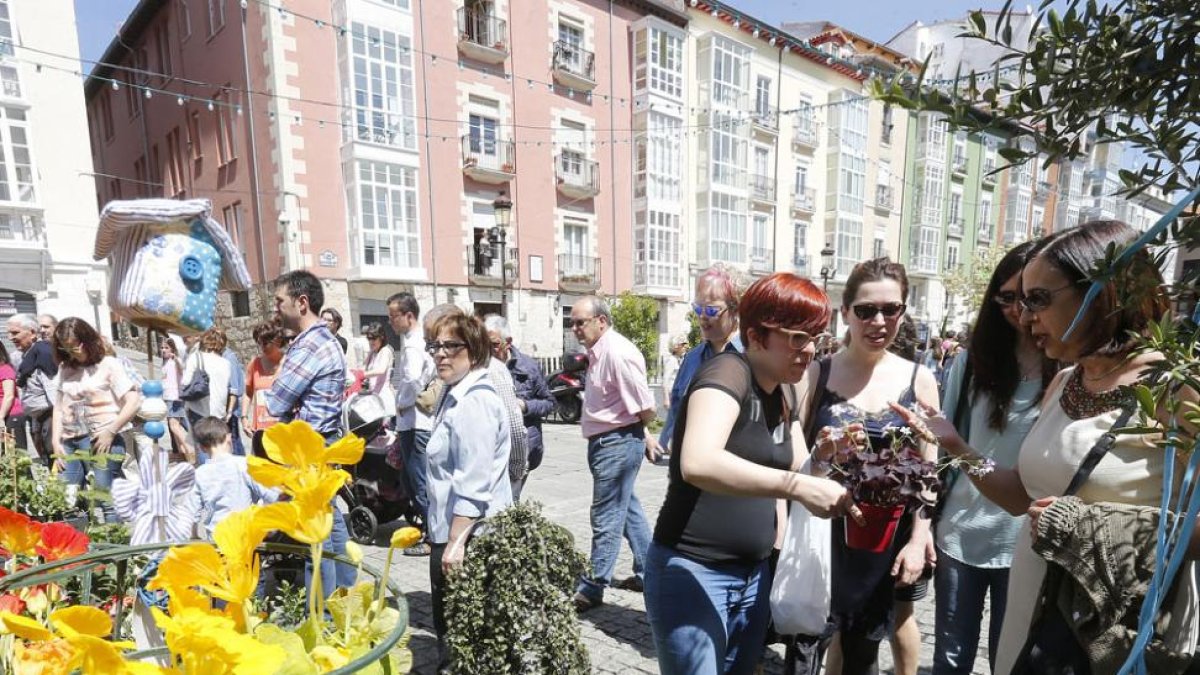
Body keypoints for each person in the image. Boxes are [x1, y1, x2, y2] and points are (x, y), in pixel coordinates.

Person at [893, 220, 1183, 673]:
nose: (1025, 318)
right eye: (1019, 301)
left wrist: (1091, 525)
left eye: (1038, 300)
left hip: (1108, 634)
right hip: (1035, 617)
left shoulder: (1175, 389)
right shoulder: (1067, 380)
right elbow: (1020, 498)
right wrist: (956, 445)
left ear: (1102, 293)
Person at [645, 272, 862, 675]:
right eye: (797, 337)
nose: (810, 350)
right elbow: (698, 462)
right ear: (756, 335)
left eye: (815, 337)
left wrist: (824, 457)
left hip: (753, 576)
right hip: (693, 572)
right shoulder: (728, 373)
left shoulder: (782, 389)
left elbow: (801, 464)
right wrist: (800, 485)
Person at [802, 258, 940, 675]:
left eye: (891, 309)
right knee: (835, 632)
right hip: (827, 535)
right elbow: (797, 460)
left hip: (891, 535)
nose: (878, 320)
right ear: (845, 313)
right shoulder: (816, 375)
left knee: (890, 624)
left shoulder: (919, 379)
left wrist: (919, 540)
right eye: (865, 310)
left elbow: (930, 473)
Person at [932, 242, 1057, 675]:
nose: (1018, 309)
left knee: (1011, 659)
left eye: (1031, 297)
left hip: (1029, 541)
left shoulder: (1065, 372)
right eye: (1006, 297)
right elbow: (944, 448)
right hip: (960, 533)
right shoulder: (970, 364)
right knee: (950, 658)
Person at [423, 311, 513, 673]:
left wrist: (455, 545)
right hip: (451, 531)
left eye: (450, 346)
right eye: (435, 346)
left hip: (467, 539)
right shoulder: (454, 393)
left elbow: (474, 485)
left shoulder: (473, 401)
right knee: (460, 631)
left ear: (473, 351)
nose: (440, 354)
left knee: (463, 636)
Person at [570, 295, 662, 612]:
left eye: (580, 322)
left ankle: (594, 586)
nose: (575, 329)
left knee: (606, 516)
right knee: (627, 510)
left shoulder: (617, 353)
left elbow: (646, 407)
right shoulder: (600, 351)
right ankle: (650, 573)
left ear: (601, 321)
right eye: (572, 323)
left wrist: (638, 433)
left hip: (615, 443)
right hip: (610, 441)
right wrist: (643, 435)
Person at [266, 270, 353, 592]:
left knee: (315, 535)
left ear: (301, 303)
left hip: (310, 449)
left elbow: (276, 402)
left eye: (279, 301)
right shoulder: (323, 340)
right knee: (331, 523)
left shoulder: (310, 346)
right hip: (322, 444)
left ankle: (324, 614)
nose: (275, 308)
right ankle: (346, 595)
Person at [50, 318, 141, 523]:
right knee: (67, 497)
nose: (73, 352)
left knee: (105, 497)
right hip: (69, 441)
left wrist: (111, 431)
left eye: (76, 346)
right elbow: (58, 406)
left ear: (87, 340)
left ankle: (115, 550)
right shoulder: (65, 368)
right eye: (67, 348)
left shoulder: (108, 364)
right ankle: (76, 546)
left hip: (100, 439)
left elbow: (133, 401)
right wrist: (56, 441)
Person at [659, 264, 745, 452]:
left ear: (735, 309)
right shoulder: (691, 359)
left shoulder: (751, 357)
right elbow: (676, 409)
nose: (703, 317)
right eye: (698, 309)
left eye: (712, 310)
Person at [484, 314, 554, 500]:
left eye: (494, 344)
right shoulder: (480, 367)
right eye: (484, 344)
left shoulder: (528, 367)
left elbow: (549, 403)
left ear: (508, 342)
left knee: (509, 502)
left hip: (523, 448)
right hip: (492, 449)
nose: (489, 350)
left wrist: (524, 406)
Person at [387, 292, 436, 556]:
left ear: (409, 315)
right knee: (415, 480)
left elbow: (413, 380)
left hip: (415, 422)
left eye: (394, 316)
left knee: (418, 483)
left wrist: (402, 402)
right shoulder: (416, 341)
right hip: (415, 422)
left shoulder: (414, 345)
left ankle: (432, 536)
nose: (391, 322)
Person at [188, 416, 278, 540]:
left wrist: (194, 536)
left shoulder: (199, 473)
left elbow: (192, 513)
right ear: (229, 438)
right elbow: (273, 495)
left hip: (216, 537)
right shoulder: (244, 464)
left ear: (202, 447)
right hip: (244, 535)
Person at [9, 313, 56, 465]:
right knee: (48, 461)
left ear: (33, 333)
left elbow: (54, 393)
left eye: (15, 333)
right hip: (37, 418)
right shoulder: (19, 357)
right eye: (9, 333)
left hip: (52, 418)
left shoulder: (43, 354)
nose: (10, 337)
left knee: (58, 462)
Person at [180, 328, 235, 453]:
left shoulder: (196, 357)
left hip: (198, 409)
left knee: (202, 448)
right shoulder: (226, 363)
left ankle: (205, 470)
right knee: (216, 447)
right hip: (219, 412)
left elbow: (186, 382)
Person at [244, 319, 287, 455]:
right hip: (261, 431)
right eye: (259, 342)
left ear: (278, 341)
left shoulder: (289, 363)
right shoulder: (254, 363)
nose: (263, 347)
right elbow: (248, 393)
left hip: (284, 429)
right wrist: (244, 417)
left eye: (266, 342)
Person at [159, 335, 194, 462]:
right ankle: (182, 454)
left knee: (174, 426)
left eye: (166, 348)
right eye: (162, 348)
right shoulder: (165, 362)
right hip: (168, 398)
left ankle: (189, 449)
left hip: (175, 398)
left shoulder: (175, 361)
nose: (163, 350)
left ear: (172, 349)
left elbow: (182, 368)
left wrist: (176, 358)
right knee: (175, 428)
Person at [222, 338, 246, 456]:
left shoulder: (228, 357)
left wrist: (230, 410)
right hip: (227, 404)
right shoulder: (225, 356)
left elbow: (234, 387)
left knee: (233, 439)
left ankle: (242, 468)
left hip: (231, 405)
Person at [0, 339, 26, 451]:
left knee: (16, 455)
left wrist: (0, 417)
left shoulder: (4, 369)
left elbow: (9, 395)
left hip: (10, 416)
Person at [361, 323, 396, 404]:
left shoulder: (385, 351)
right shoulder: (372, 352)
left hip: (384, 397)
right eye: (369, 338)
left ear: (381, 337)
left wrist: (362, 374)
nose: (371, 341)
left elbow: (381, 370)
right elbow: (362, 368)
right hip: (373, 397)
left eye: (374, 338)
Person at [660, 334, 688, 414]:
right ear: (676, 346)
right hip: (672, 396)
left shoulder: (680, 360)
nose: (685, 346)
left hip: (678, 395)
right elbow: (665, 380)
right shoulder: (671, 360)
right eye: (683, 344)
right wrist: (666, 399)